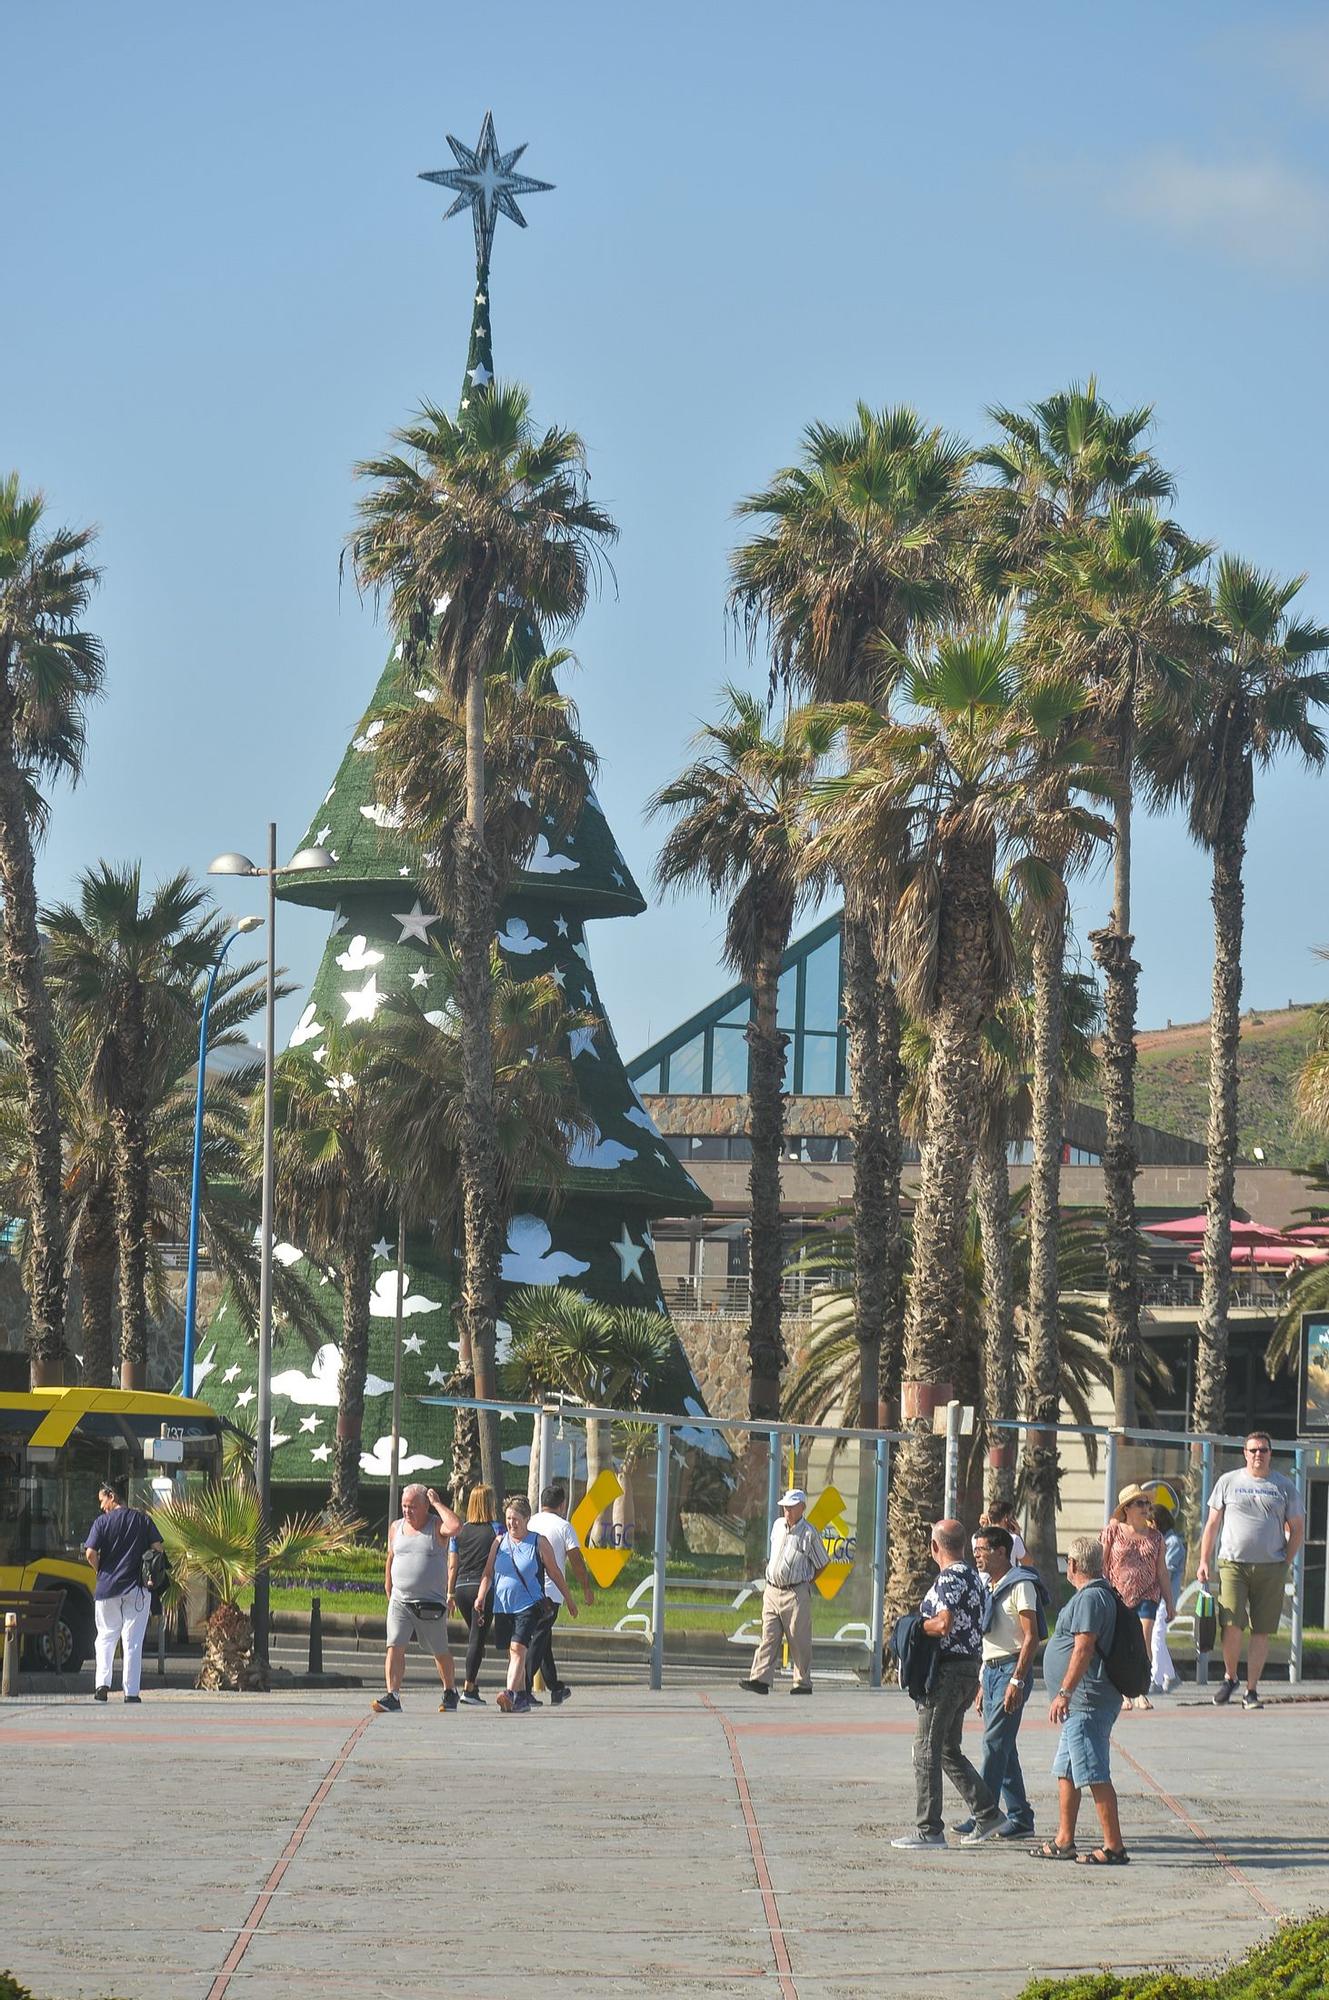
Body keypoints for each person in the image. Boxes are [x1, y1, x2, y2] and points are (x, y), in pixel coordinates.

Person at [891, 1519, 1004, 1849]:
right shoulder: (973, 1576)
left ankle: (930, 1829)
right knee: (946, 1749)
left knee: (925, 1748)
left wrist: (913, 1627)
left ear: (934, 1547)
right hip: (968, 1669)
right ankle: (987, 1812)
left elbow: (943, 1624)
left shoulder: (949, 1578)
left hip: (947, 1673)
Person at [1032, 1535, 1128, 1865]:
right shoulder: (1096, 1595)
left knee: (1094, 1773)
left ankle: (1114, 1846)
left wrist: (1064, 1692)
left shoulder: (1090, 1599)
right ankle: (1064, 1840)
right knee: (1068, 1771)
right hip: (1080, 1704)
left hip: (1086, 1701)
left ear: (1072, 1565)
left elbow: (1084, 1647)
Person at [1198, 1430, 1304, 1710]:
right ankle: (1230, 1677)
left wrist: (1286, 1561)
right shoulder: (1228, 1482)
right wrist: (1204, 1561)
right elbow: (1211, 1525)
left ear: (1270, 1454)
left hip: (1271, 1567)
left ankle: (1251, 1690)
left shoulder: (1284, 1486)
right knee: (1231, 1623)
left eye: (1264, 1450)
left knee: (1261, 1630)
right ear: (1245, 1453)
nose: (1259, 1454)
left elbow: (1297, 1529)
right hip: (1233, 1564)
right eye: (1253, 1450)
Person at [953, 1525, 1040, 1840]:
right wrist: (980, 1682)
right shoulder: (988, 1586)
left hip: (1011, 1671)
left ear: (1002, 1551)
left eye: (982, 1550)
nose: (976, 1555)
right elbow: (988, 1641)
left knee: (993, 1745)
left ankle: (984, 1814)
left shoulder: (1021, 1585)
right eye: (974, 1550)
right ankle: (1020, 1818)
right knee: (1004, 1748)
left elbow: (1032, 1637)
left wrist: (1017, 1679)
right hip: (990, 1672)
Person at [474, 1494, 578, 1713]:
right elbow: (487, 1573)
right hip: (503, 1606)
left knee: (518, 1648)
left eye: (516, 1519)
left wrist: (568, 1599)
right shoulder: (499, 1541)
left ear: (527, 1518)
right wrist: (481, 1596)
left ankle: (509, 1692)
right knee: (513, 1654)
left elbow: (555, 1572)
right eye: (509, 1518)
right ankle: (521, 1698)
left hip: (528, 1605)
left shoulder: (538, 1542)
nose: (512, 1523)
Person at [373, 1483, 463, 1715]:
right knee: (394, 1645)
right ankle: (393, 1695)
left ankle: (450, 1689)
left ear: (425, 1506)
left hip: (430, 1603)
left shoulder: (436, 1526)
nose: (407, 1511)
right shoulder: (396, 1527)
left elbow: (455, 1526)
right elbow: (391, 1555)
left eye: (412, 1506)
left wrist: (437, 1503)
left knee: (439, 1651)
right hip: (401, 1600)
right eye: (404, 1506)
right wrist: (388, 1583)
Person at [738, 1487, 829, 1696]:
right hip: (772, 1590)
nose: (787, 1511)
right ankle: (760, 1679)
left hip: (795, 1593)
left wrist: (808, 1581)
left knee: (798, 1638)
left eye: (791, 1507)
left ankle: (802, 1682)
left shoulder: (809, 1533)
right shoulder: (778, 1526)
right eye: (785, 1507)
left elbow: (822, 1562)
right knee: (768, 1635)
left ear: (801, 1508)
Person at [84, 1480, 164, 1705]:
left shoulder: (102, 1523)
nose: (101, 1506)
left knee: (106, 1636)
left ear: (112, 1496)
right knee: (132, 1640)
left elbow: (90, 1553)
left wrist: (101, 1570)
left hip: (107, 1588)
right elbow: (158, 1548)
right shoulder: (142, 1519)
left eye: (102, 1500)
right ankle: (131, 1692)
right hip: (137, 1589)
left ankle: (102, 1684)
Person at [1101, 1485, 1173, 1710]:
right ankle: (1123, 1692)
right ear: (1127, 1509)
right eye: (1140, 1503)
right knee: (1122, 1642)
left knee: (1143, 1639)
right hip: (1118, 1594)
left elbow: (1162, 1571)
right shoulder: (1113, 1532)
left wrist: (1170, 1602)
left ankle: (1141, 1689)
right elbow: (1102, 1564)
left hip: (1148, 1594)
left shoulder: (1156, 1537)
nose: (1145, 1507)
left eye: (1146, 1503)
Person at [527, 1483, 594, 1706]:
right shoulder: (564, 1526)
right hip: (551, 1592)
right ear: (562, 1504)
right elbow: (576, 1560)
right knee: (538, 1639)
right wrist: (585, 1588)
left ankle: (555, 1687)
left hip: (528, 1590)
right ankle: (523, 1687)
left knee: (543, 1640)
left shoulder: (531, 1521)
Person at [447, 1483, 501, 1705]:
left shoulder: (459, 1532)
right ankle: (468, 1688)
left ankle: (474, 1685)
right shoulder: (497, 1529)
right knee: (477, 1640)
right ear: (490, 1504)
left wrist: (450, 1593)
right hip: (483, 1589)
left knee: (476, 1636)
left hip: (461, 1588)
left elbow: (452, 1564)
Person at [1149, 1503, 1187, 1695]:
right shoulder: (1160, 1541)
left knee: (1157, 1636)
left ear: (1157, 1522)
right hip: (1156, 1598)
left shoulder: (1172, 1543)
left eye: (1151, 1522)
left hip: (1166, 1597)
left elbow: (1165, 1573)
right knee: (1157, 1637)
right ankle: (1171, 1676)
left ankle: (1155, 1679)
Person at [976, 1496, 1029, 1567]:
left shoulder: (976, 1539)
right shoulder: (1014, 1539)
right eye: (1012, 1516)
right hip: (1009, 1578)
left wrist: (984, 1528)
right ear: (1006, 1518)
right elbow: (1028, 1563)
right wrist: (1019, 1536)